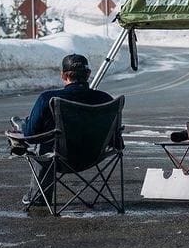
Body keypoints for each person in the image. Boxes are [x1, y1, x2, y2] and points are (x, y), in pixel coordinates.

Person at [10, 53, 113, 206]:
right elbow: (116, 137)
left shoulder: (48, 98)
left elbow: (31, 135)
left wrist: (24, 129)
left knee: (40, 139)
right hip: (94, 156)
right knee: (46, 135)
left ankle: (38, 197)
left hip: (59, 159)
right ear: (88, 74)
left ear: (63, 75)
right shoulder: (106, 99)